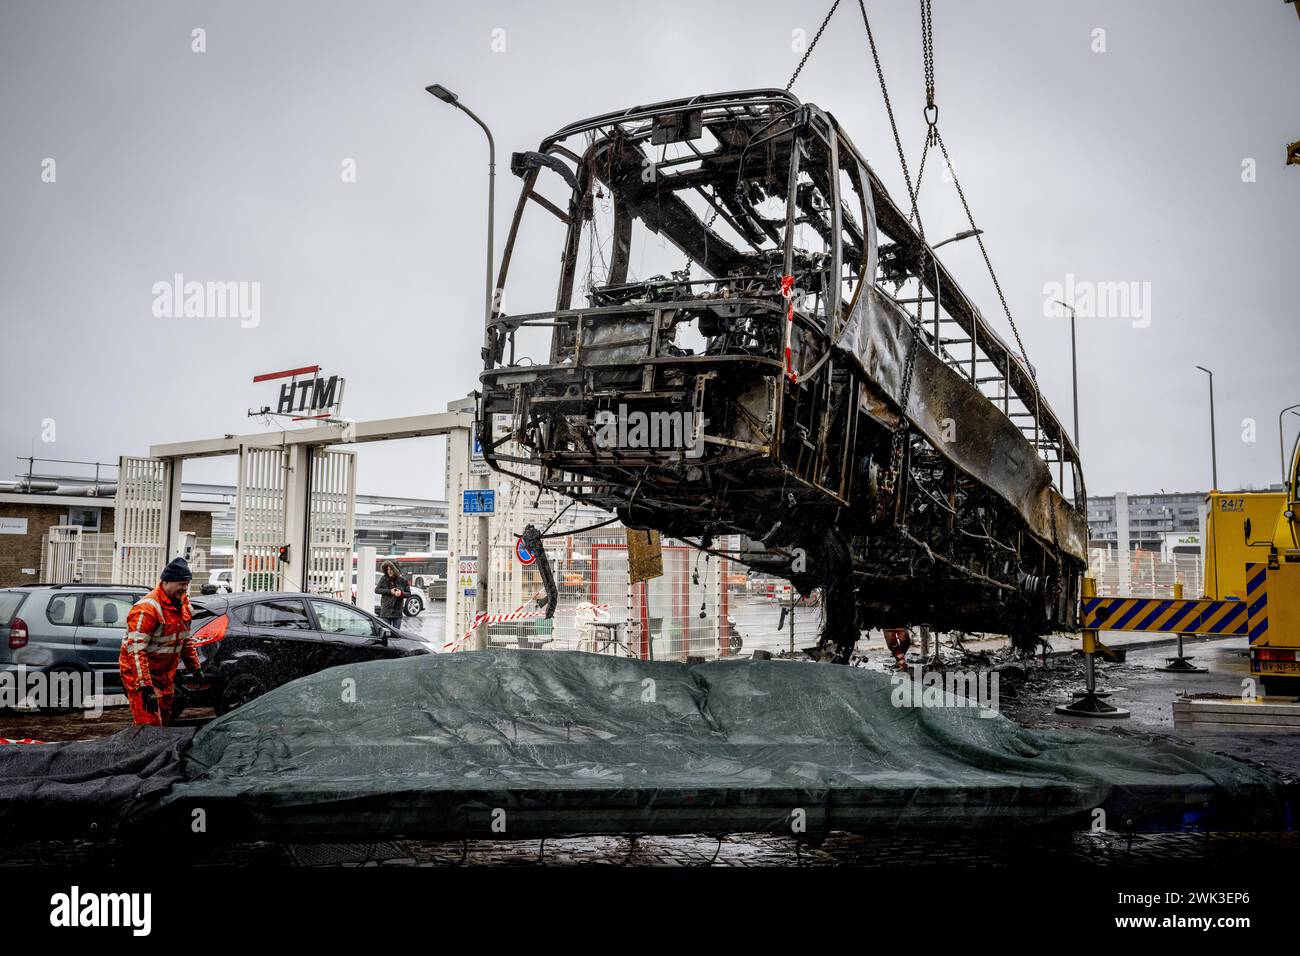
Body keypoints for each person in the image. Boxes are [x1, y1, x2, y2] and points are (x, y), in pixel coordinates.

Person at [120, 557, 203, 726]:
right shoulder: (147, 609)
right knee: (149, 726)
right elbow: (136, 651)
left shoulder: (182, 605)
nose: (184, 588)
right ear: (165, 582)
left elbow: (185, 640)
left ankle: (149, 749)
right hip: (140, 675)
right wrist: (145, 686)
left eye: (186, 583)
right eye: (180, 583)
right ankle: (144, 750)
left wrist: (195, 669)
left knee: (163, 721)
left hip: (165, 675)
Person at [375, 561, 410, 630]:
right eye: (388, 569)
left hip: (397, 613)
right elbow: (377, 590)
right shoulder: (384, 578)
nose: (389, 571)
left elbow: (408, 594)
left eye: (391, 569)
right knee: (386, 633)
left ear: (396, 570)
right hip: (386, 612)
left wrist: (401, 594)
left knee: (396, 634)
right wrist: (390, 591)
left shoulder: (402, 580)